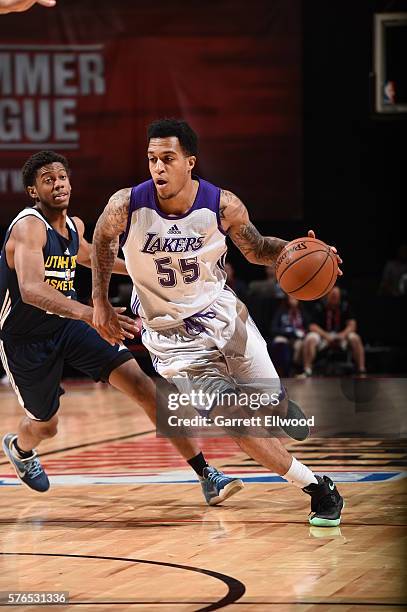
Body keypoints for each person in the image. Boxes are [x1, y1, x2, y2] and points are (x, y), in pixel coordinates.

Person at [91, 118, 345, 527]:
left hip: (224, 317)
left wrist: (309, 250)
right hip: (172, 339)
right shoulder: (126, 205)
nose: (157, 168)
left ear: (190, 162)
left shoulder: (221, 204)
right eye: (152, 159)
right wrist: (99, 301)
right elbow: (102, 243)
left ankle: (277, 405)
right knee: (233, 419)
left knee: (267, 403)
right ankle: (317, 487)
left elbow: (260, 249)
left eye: (167, 159)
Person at [0, 150, 243, 506]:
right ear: (33, 191)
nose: (58, 185)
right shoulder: (28, 227)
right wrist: (91, 313)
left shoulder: (74, 227)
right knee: (45, 425)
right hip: (26, 341)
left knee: (144, 386)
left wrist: (150, 266)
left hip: (69, 326)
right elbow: (32, 290)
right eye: (48, 180)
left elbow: (88, 256)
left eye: (62, 177)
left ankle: (208, 474)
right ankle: (20, 448)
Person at [301, 285, 366, 377]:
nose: (334, 298)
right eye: (332, 296)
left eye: (336, 296)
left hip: (341, 336)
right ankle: (307, 369)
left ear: (339, 296)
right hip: (324, 337)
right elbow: (312, 326)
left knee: (354, 337)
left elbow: (352, 325)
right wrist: (326, 336)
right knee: (310, 337)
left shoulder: (345, 306)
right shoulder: (320, 306)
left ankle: (361, 369)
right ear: (327, 296)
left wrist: (342, 335)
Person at [270, 295, 310, 377]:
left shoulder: (302, 312)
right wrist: (289, 331)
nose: (293, 301)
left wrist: (302, 333)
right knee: (279, 342)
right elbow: (273, 328)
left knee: (301, 345)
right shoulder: (281, 311)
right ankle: (281, 370)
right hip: (284, 336)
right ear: (287, 300)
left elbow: (308, 327)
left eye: (296, 299)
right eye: (291, 298)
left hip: (298, 339)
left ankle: (296, 369)